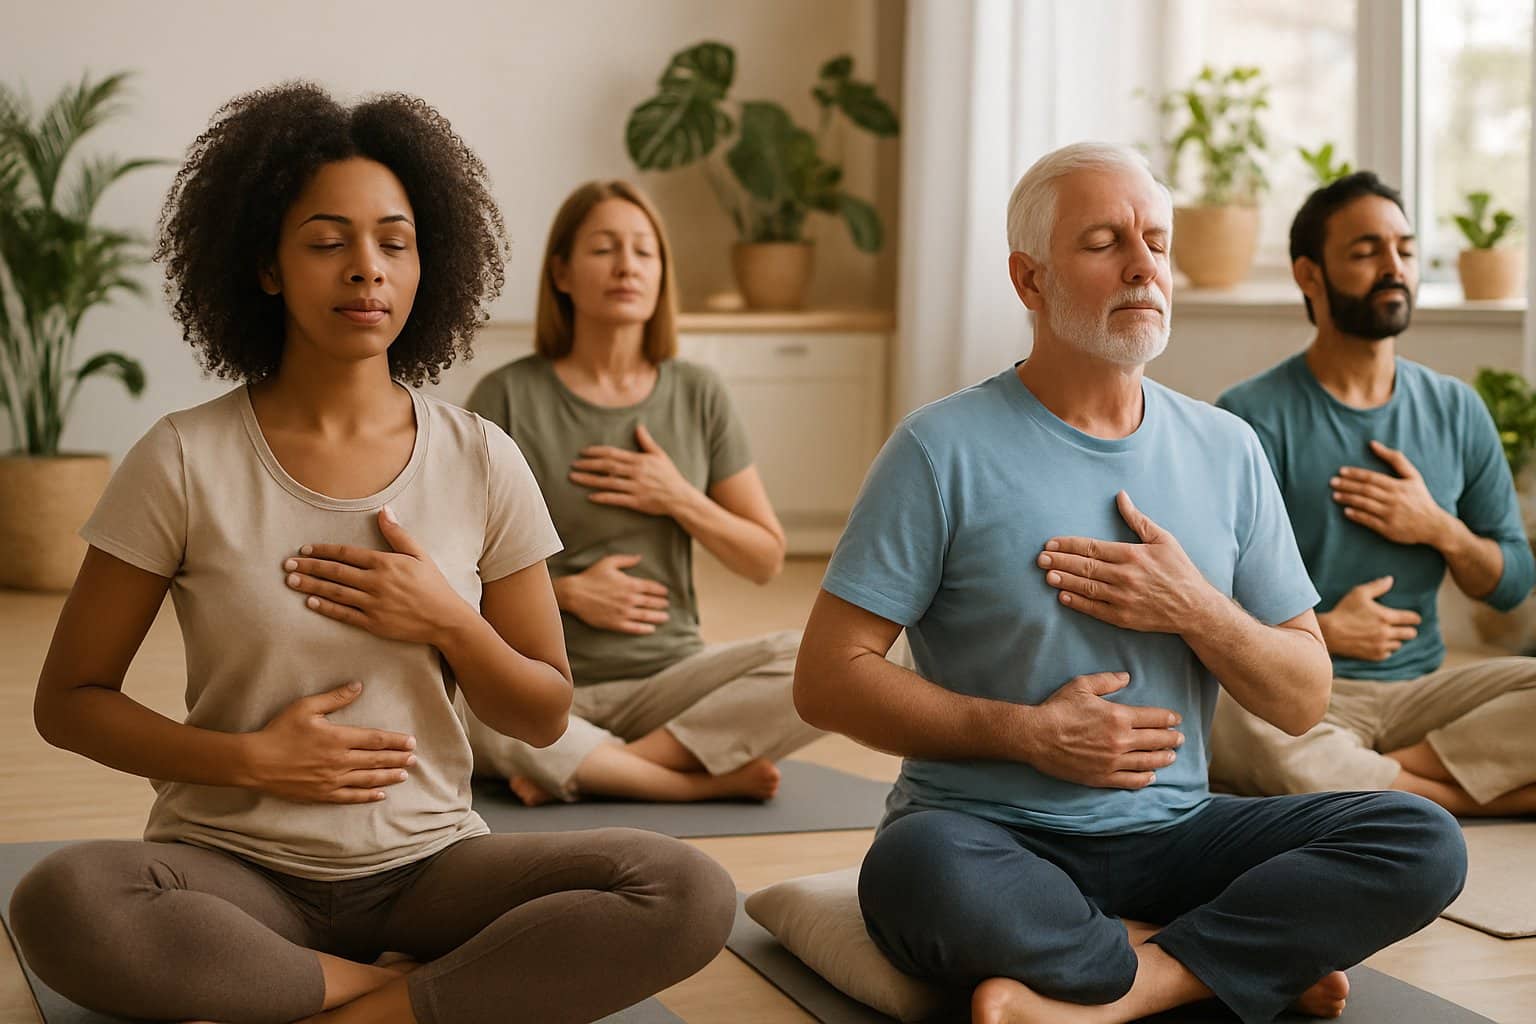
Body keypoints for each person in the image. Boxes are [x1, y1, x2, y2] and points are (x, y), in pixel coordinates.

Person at [7, 84, 733, 1024]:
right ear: (266, 266)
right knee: (61, 900)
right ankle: (394, 997)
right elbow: (68, 703)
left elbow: (546, 714)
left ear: (428, 264)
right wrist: (252, 762)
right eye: (326, 242)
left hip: (431, 870)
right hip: (233, 867)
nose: (366, 269)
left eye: (394, 242)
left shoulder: (481, 457)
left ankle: (329, 999)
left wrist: (448, 622)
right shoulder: (183, 456)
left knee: (684, 889)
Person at [793, 142, 1466, 1024]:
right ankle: (1224, 957)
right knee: (913, 876)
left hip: (1175, 835)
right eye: (1105, 242)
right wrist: (1028, 736)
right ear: (1029, 281)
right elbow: (826, 677)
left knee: (1420, 840)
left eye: (1155, 240)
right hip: (985, 835)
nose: (1143, 265)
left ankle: (1128, 983)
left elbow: (1303, 697)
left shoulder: (1226, 449)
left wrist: (1194, 608)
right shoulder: (939, 449)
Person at [460, 180, 820, 806]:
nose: (627, 265)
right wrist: (565, 594)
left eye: (644, 251)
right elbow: (451, 571)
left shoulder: (697, 392)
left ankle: (602, 769)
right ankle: (682, 783)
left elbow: (763, 559)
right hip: (543, 683)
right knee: (455, 708)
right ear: (563, 274)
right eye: (604, 249)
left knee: (820, 661)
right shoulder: (507, 396)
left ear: (661, 275)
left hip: (670, 681)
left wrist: (678, 496)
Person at [1210, 172, 1536, 816]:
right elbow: (1209, 606)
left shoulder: (1455, 409)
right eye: (1366, 252)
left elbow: (1512, 582)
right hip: (1302, 696)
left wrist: (1438, 527)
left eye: (1406, 251)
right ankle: (1468, 796)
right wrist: (1325, 631)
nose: (1395, 268)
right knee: (1232, 725)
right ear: (1309, 275)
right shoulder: (1249, 418)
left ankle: (1382, 782)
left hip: (1424, 695)